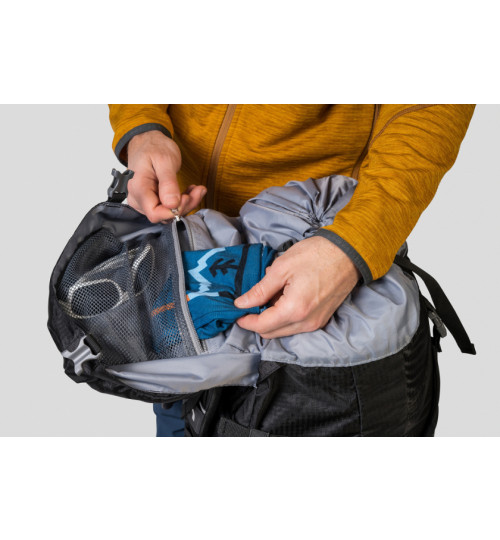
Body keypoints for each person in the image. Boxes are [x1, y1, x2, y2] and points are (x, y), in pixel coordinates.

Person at [109, 104, 475, 436]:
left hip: (320, 280)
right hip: (183, 263)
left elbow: (430, 106)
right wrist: (143, 128)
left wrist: (352, 245)